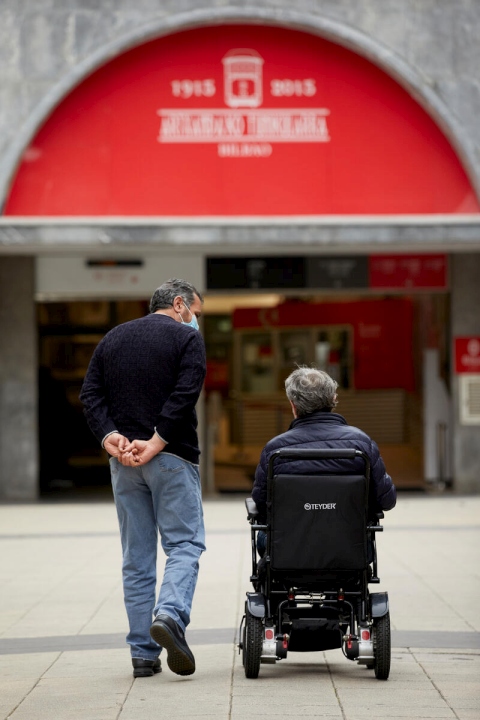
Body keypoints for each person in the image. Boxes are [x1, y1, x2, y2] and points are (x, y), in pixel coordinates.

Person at [80, 278, 206, 679]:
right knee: (184, 543)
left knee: (136, 559)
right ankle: (169, 615)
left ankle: (142, 654)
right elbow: (185, 395)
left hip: (124, 463)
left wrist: (110, 437)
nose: (196, 321)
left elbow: (90, 394)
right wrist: (156, 442)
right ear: (181, 304)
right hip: (171, 458)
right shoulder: (187, 341)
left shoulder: (113, 339)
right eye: (197, 314)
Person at [252, 366, 396, 556]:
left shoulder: (275, 450)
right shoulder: (361, 444)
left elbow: (260, 502)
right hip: (350, 552)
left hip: (287, 553)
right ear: (334, 399)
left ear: (293, 405)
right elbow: (386, 500)